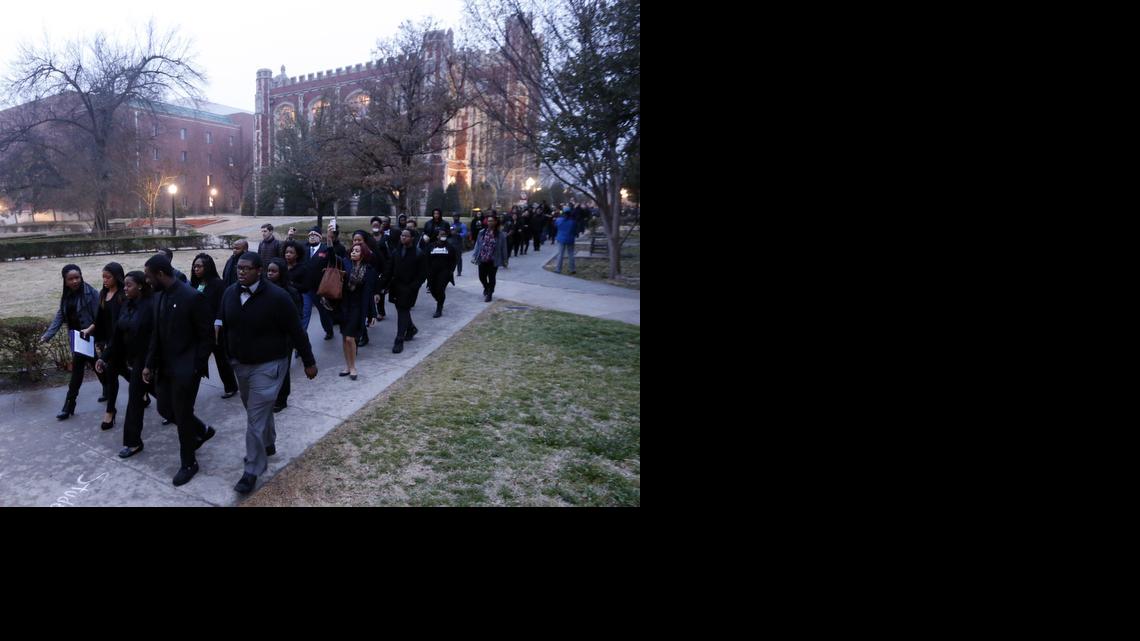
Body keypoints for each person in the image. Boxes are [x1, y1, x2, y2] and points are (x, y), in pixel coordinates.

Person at [216, 252, 318, 494]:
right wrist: (226, 352)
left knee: (254, 416)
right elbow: (223, 320)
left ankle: (252, 469)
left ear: (259, 270)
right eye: (239, 268)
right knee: (254, 409)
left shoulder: (278, 297)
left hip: (270, 365)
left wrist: (308, 361)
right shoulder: (230, 293)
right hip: (240, 364)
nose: (241, 272)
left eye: (246, 268)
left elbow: (296, 331)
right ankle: (269, 443)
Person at [143, 254, 216, 487]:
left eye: (148, 276)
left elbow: (206, 337)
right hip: (164, 368)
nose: (147, 281)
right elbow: (156, 333)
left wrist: (195, 367)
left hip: (186, 369)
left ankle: (189, 463)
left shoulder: (192, 297)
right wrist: (148, 363)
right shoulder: (159, 296)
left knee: (182, 415)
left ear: (161, 274)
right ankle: (202, 430)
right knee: (164, 408)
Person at [95, 271, 156, 458]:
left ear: (139, 286)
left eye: (128, 285)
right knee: (139, 399)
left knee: (166, 403)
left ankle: (197, 428)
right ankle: (133, 442)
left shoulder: (151, 306)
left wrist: (150, 364)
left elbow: (156, 338)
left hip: (147, 360)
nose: (125, 288)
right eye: (125, 285)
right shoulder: (126, 305)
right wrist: (103, 357)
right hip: (134, 360)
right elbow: (117, 336)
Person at [40, 264, 99, 420]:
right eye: (71, 279)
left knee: (77, 370)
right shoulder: (66, 295)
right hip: (75, 337)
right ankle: (108, 387)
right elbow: (60, 315)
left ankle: (69, 404)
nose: (75, 281)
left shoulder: (90, 293)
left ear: (81, 277)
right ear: (65, 281)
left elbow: (101, 315)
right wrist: (48, 335)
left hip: (87, 335)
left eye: (77, 277)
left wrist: (93, 332)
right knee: (96, 363)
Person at [190, 253, 239, 399]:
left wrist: (218, 324)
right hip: (199, 328)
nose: (195, 269)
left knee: (222, 359)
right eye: (194, 266)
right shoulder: (195, 284)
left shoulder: (218, 284)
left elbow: (222, 306)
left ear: (208, 267)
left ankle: (231, 386)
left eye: (199, 266)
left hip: (216, 329)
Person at [265, 257, 303, 412]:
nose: (270, 274)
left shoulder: (290, 292)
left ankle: (282, 399)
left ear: (281, 273)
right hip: (266, 336)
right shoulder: (263, 290)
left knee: (282, 369)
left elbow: (296, 316)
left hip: (284, 338)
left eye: (273, 271)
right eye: (268, 271)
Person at [382, 228, 427, 354]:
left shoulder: (419, 254)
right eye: (402, 235)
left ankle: (399, 339)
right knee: (401, 309)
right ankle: (411, 328)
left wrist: (413, 287)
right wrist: (382, 285)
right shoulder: (397, 251)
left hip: (409, 288)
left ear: (412, 238)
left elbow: (422, 274)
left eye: (406, 236)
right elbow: (389, 269)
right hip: (396, 286)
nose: (403, 238)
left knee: (403, 310)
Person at [336, 243, 377, 378]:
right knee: (344, 337)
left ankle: (353, 367)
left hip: (358, 308)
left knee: (349, 338)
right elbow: (332, 257)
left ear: (363, 254)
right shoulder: (346, 265)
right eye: (353, 250)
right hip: (344, 306)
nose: (353, 252)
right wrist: (329, 239)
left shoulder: (369, 270)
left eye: (357, 251)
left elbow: (369, 294)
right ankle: (347, 366)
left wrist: (373, 314)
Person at [93, 262, 126, 430]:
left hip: (120, 343)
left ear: (117, 277)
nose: (105, 280)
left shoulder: (122, 296)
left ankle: (110, 411)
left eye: (108, 277)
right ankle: (111, 411)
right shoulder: (103, 294)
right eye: (103, 277)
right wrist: (95, 335)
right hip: (108, 343)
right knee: (119, 374)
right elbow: (100, 320)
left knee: (115, 373)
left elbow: (121, 324)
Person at [472, 214, 509, 302]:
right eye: (488, 221)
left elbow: (504, 248)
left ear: (496, 222)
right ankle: (487, 287)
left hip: (493, 259)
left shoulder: (500, 235)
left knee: (491, 277)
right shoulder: (482, 232)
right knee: (481, 277)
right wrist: (474, 255)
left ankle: (490, 294)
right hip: (482, 258)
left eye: (492, 220)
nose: (490, 222)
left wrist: (505, 260)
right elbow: (477, 245)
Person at [427, 226, 458, 318]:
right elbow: (426, 259)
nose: (443, 236)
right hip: (432, 272)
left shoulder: (450, 247)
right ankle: (440, 300)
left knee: (440, 289)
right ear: (437, 236)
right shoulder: (431, 246)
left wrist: (451, 271)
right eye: (441, 234)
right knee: (432, 289)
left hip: (444, 272)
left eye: (444, 234)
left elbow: (454, 260)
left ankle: (439, 308)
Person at [554, 207, 578, 274]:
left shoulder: (558, 220)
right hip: (570, 239)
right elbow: (575, 230)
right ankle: (572, 269)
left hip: (561, 238)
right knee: (571, 254)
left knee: (560, 254)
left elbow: (555, 226)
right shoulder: (573, 222)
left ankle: (558, 269)